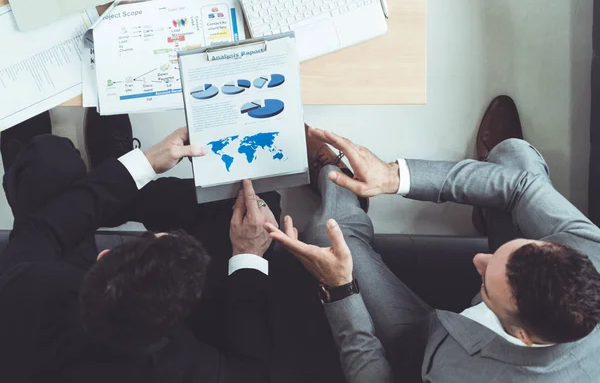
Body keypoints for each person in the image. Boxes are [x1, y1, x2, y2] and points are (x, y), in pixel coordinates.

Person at [265, 96, 600, 382]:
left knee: (327, 230)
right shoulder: (590, 250)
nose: (478, 260)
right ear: (556, 246)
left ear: (523, 337)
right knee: (516, 157)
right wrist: (393, 176)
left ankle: (336, 179)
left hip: (425, 349)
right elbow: (522, 186)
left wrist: (340, 290)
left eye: (485, 283)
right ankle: (488, 210)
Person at [0, 109, 279, 383]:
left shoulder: (27, 289)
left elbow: (40, 229)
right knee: (256, 204)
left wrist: (144, 163)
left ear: (104, 255)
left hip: (40, 335)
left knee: (47, 164)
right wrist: (248, 254)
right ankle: (110, 179)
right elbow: (251, 373)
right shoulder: (188, 367)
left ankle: (100, 177)